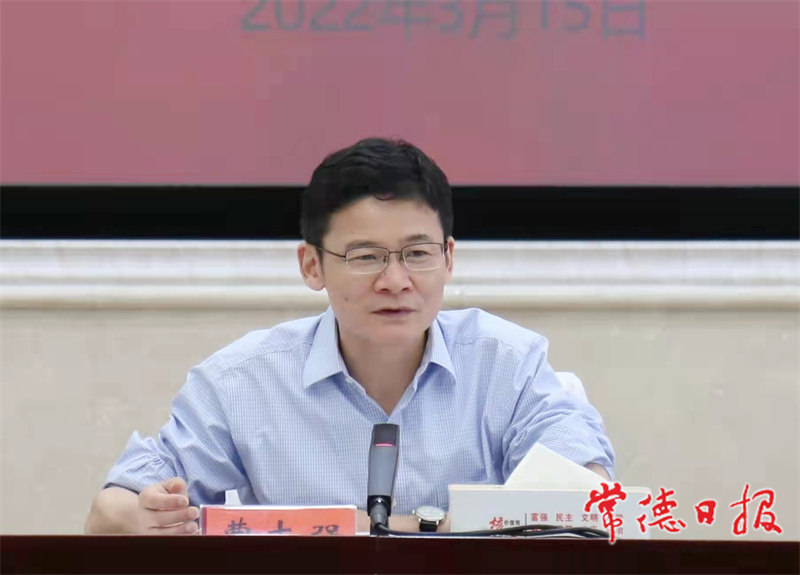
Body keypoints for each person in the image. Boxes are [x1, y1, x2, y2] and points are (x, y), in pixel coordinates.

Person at [84, 138, 614, 535]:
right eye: (365, 257)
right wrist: (149, 515)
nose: (396, 280)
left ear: (449, 258)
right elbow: (110, 513)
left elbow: (586, 499)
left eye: (417, 254)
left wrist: (375, 530)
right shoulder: (242, 382)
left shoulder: (507, 363)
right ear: (311, 265)